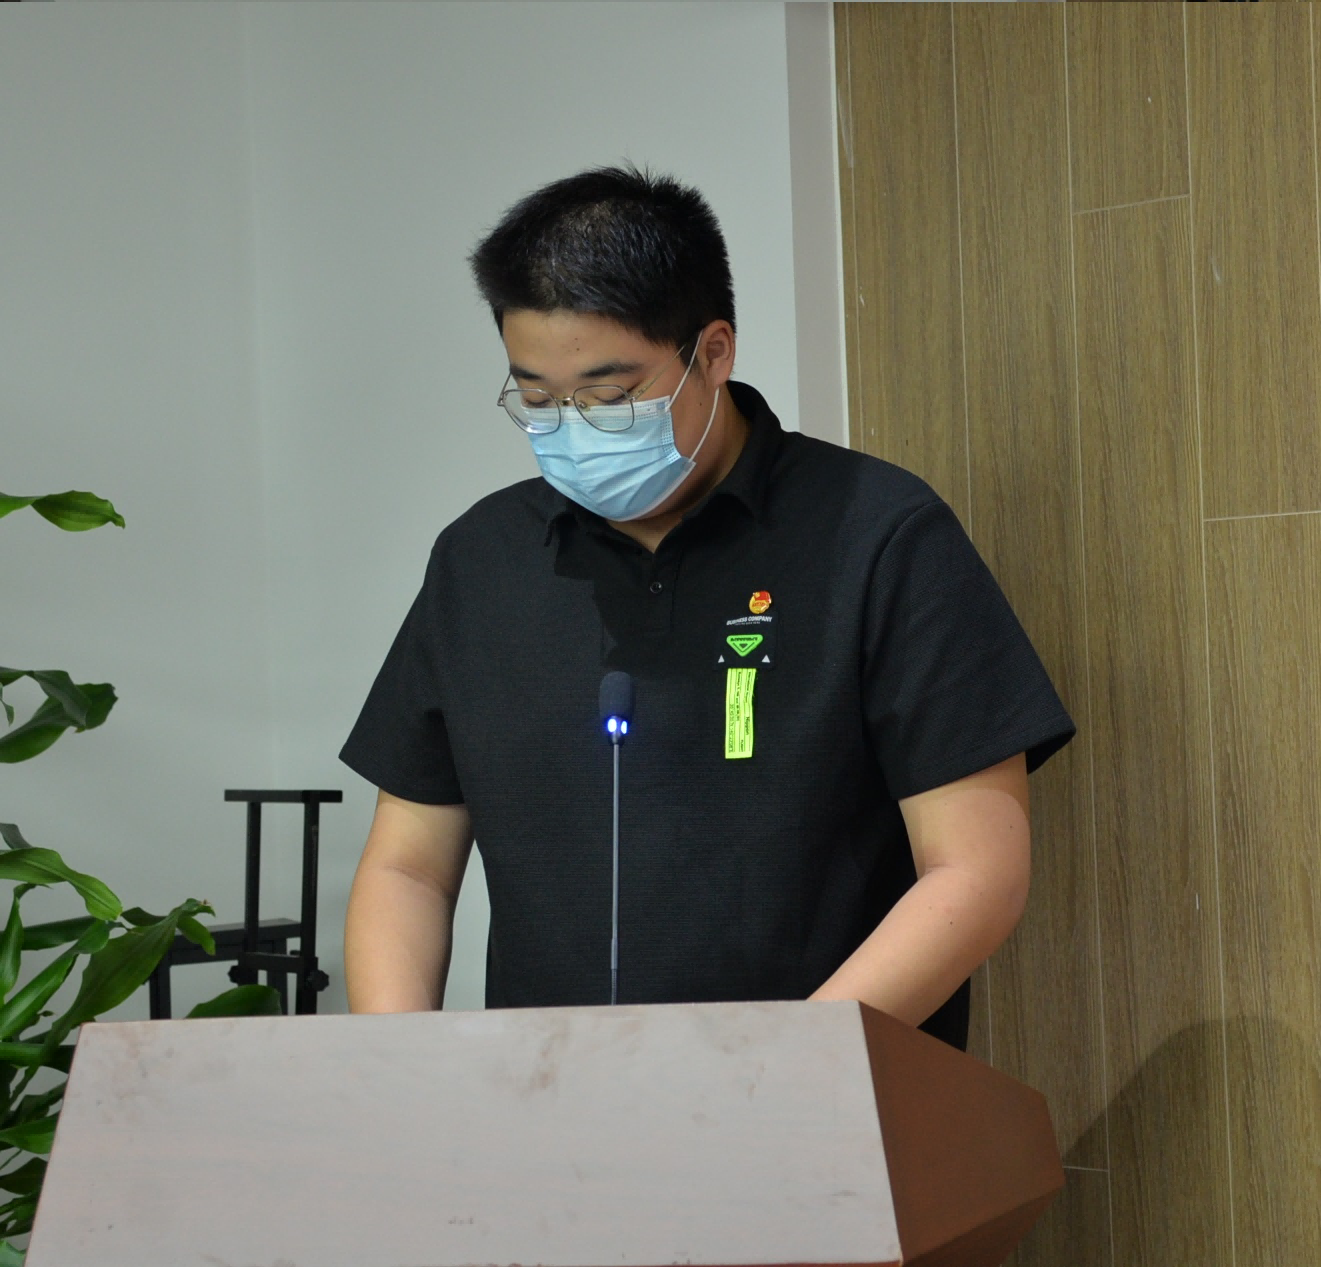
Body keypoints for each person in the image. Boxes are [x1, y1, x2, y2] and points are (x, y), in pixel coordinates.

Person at [339, 165, 1074, 1049]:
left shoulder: (876, 536)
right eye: (537, 399)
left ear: (714, 351)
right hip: (544, 1100)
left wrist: (784, 1071)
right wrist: (396, 1071)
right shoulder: (482, 561)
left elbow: (975, 872)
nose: (573, 429)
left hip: (822, 1102)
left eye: (610, 397)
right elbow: (408, 868)